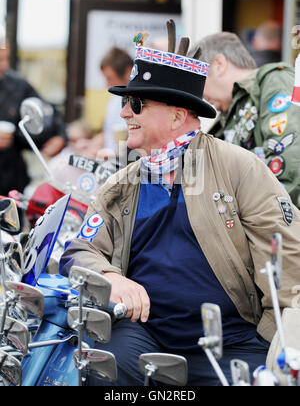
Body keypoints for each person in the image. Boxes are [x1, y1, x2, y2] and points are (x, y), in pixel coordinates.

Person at [60, 21, 300, 386]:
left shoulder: (238, 166)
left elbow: (287, 251)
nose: (125, 113)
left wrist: (274, 335)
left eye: (136, 104)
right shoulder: (122, 182)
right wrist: (110, 277)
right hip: (146, 335)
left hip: (232, 342)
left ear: (176, 114)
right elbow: (79, 250)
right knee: (100, 368)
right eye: (125, 103)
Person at [192, 31, 300, 208]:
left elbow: (290, 162)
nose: (201, 96)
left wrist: (260, 221)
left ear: (219, 64)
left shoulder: (274, 80)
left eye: (199, 82)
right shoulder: (231, 112)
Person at [0, 43, 67, 196]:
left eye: (6, 59)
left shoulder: (18, 86)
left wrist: (60, 136)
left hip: (12, 181)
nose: (4, 65)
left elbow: (48, 113)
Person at [100, 47, 133, 154]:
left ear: (128, 71)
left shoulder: (142, 103)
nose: (107, 84)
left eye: (110, 78)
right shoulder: (115, 99)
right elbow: (108, 132)